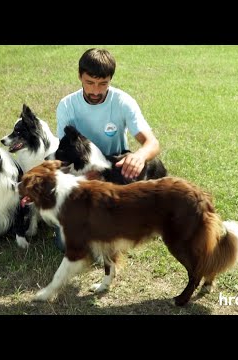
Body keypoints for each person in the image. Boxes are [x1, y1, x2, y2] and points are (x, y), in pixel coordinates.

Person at [54, 48, 161, 251]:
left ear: (111, 79)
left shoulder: (122, 101)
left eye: (103, 84)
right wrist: (81, 180)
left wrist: (139, 156)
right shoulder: (67, 106)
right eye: (89, 83)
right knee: (65, 243)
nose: (96, 91)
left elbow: (152, 143)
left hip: (115, 172)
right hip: (83, 174)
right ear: (80, 76)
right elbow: (64, 158)